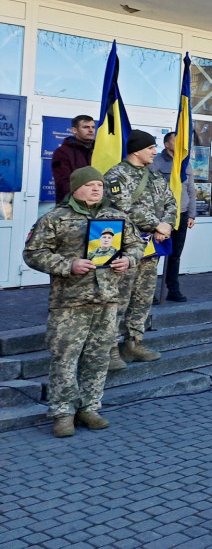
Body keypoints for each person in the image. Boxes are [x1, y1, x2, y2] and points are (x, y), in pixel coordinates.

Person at [23, 167, 144, 438]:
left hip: (107, 299)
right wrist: (68, 264)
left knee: (98, 357)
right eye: (90, 185)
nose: (96, 189)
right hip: (70, 302)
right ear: (75, 188)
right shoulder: (55, 218)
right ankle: (63, 413)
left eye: (99, 185)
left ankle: (89, 407)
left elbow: (136, 244)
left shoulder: (116, 216)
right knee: (65, 357)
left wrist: (129, 259)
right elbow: (33, 253)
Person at [103, 130, 177, 368]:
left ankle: (133, 343)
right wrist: (156, 223)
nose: (155, 152)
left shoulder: (154, 175)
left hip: (149, 249)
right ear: (136, 150)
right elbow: (122, 207)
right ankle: (110, 348)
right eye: (150, 148)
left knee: (142, 298)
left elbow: (171, 202)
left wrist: (165, 226)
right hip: (125, 248)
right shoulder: (116, 175)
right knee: (119, 298)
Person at [149, 131, 196, 302]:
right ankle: (149, 292)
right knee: (154, 255)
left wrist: (191, 214)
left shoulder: (185, 164)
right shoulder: (156, 163)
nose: (181, 144)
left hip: (181, 214)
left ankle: (173, 288)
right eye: (176, 141)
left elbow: (190, 190)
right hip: (160, 217)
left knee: (175, 254)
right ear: (167, 144)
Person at [51, 115, 95, 203]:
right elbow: (64, 183)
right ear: (74, 130)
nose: (91, 130)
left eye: (93, 127)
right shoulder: (62, 152)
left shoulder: (100, 150)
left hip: (99, 204)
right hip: (73, 205)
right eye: (86, 127)